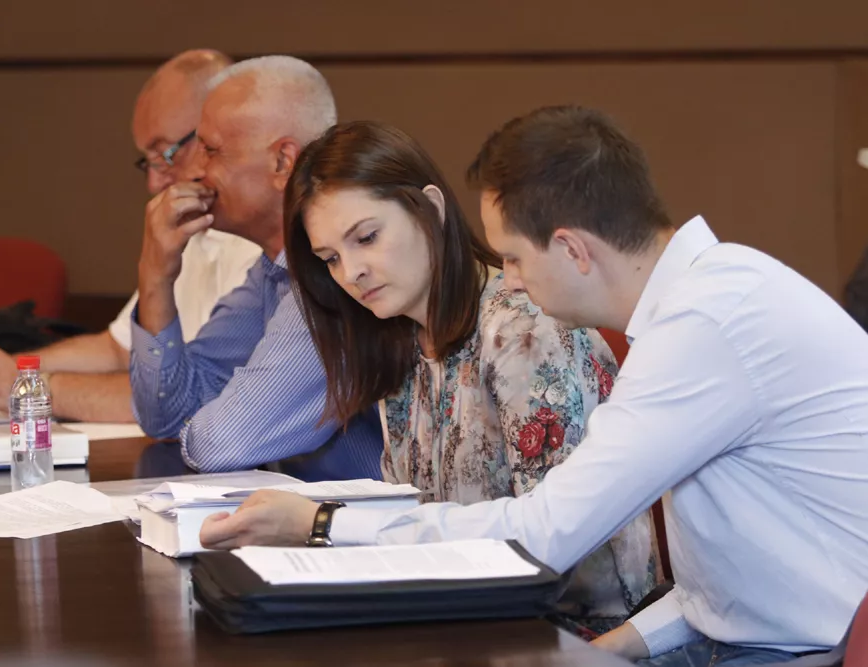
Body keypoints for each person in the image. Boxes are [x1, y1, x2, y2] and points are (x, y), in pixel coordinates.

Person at [200, 106, 868, 666]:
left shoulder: (705, 326)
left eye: (514, 257)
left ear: (574, 249)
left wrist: (322, 522)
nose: (510, 279)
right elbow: (722, 596)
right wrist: (618, 648)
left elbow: (544, 537)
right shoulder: (709, 300)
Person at [279, 119, 658, 634]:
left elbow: (555, 554)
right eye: (330, 259)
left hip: (578, 632)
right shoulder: (403, 341)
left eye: (367, 237)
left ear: (430, 209)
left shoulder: (525, 329)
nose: (351, 272)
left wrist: (327, 525)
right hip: (462, 618)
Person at [0, 49, 261, 422]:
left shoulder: (263, 246)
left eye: (165, 154)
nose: (153, 183)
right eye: (148, 161)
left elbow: (184, 396)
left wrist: (21, 386)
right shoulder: (196, 228)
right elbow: (119, 349)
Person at [130, 56, 383, 481]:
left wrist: (217, 415)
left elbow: (219, 444)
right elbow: (166, 414)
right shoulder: (271, 274)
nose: (195, 171)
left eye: (210, 150)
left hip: (384, 523)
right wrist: (155, 275)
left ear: (283, 162)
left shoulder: (335, 282)